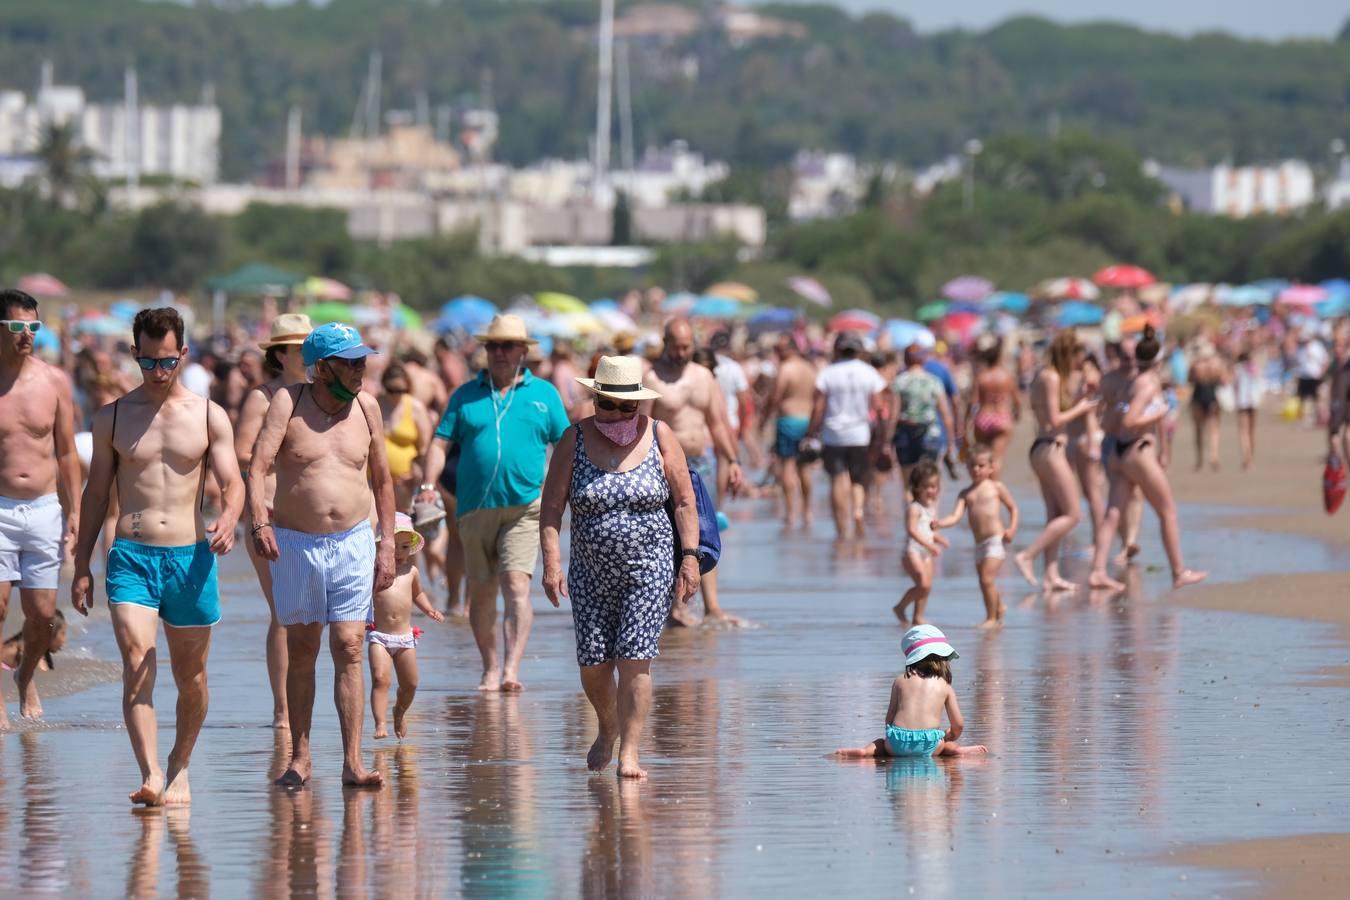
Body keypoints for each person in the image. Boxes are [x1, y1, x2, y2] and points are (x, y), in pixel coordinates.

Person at [71, 307, 245, 806]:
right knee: (136, 660)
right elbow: (96, 494)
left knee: (191, 678)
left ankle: (180, 763)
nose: (158, 372)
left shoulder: (210, 415)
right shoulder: (114, 417)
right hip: (131, 556)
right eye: (148, 362)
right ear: (134, 355)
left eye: (167, 362)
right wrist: (83, 564)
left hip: (190, 559)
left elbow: (233, 483)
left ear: (183, 354)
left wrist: (231, 517)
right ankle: (150, 774)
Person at [248, 322, 397, 788]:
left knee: (350, 644)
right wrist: (258, 521)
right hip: (297, 541)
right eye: (351, 362)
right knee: (304, 647)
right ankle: (300, 756)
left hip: (353, 538)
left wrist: (387, 542)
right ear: (323, 367)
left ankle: (353, 761)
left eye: (362, 360)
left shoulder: (367, 407)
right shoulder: (287, 403)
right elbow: (256, 468)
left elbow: (383, 480)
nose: (361, 370)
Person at [539, 356, 702, 779]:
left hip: (650, 568)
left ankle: (630, 752)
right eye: (609, 405)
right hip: (590, 574)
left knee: (635, 657)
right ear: (595, 399)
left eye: (628, 407)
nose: (618, 414)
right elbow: (552, 509)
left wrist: (689, 559)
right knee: (593, 665)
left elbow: (685, 502)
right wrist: (551, 564)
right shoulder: (573, 440)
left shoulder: (660, 435)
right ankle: (607, 725)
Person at [417, 314, 569, 691]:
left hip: (525, 506)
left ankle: (511, 670)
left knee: (516, 586)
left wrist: (569, 491)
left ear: (523, 351)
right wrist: (427, 483)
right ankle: (489, 666)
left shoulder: (544, 395)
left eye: (506, 346)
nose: (498, 353)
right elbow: (440, 443)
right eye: (492, 346)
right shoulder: (465, 395)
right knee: (481, 591)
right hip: (473, 508)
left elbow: (566, 446)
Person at [0, 288, 81, 726]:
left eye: (34, 326)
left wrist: (76, 511)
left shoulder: (54, 381)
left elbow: (67, 452)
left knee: (43, 615)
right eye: (17, 326)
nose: (27, 334)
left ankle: (25, 677)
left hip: (45, 508)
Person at [234, 313, 312, 729]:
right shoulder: (262, 398)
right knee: (284, 612)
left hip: (311, 517)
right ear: (280, 355)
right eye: (299, 347)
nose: (307, 353)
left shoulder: (320, 394)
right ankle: (282, 708)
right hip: (271, 516)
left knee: (307, 614)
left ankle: (301, 701)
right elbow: (243, 452)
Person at [1086, 326, 1208, 592]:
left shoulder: (1130, 382)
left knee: (1113, 514)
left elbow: (1113, 418)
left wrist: (1162, 444)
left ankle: (1097, 571)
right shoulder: (1148, 383)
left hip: (1119, 452)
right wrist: (1159, 413)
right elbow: (1129, 421)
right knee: (1168, 512)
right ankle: (1179, 572)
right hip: (1137, 451)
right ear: (1159, 360)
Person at [642, 319, 743, 624]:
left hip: (702, 464)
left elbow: (716, 423)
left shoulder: (703, 377)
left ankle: (712, 606)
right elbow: (644, 427)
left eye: (687, 346)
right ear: (665, 342)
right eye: (676, 346)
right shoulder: (653, 378)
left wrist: (734, 460)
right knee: (673, 536)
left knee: (706, 535)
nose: (682, 352)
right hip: (668, 465)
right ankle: (676, 607)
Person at [1013, 330, 1097, 592]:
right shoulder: (1049, 376)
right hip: (1050, 448)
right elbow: (1054, 420)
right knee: (1073, 515)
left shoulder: (1048, 375)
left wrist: (1079, 398)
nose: (1079, 363)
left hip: (1045, 448)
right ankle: (1028, 555)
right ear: (1067, 352)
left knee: (1055, 516)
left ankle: (1051, 575)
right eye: (1077, 356)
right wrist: (1082, 409)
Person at [834, 625, 988, 759]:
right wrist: (951, 736)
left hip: (897, 744)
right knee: (946, 746)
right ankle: (958, 751)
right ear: (943, 658)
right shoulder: (945, 686)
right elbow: (958, 725)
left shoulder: (900, 681)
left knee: (880, 744)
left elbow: (889, 718)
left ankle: (864, 752)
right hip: (929, 744)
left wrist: (895, 740)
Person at [368, 513, 444, 740]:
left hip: (404, 637)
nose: (399, 553)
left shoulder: (411, 572)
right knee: (380, 679)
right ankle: (380, 723)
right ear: (381, 544)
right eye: (393, 547)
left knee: (410, 684)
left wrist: (429, 609)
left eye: (404, 547)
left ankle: (399, 712)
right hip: (379, 636)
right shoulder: (373, 570)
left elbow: (417, 593)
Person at [809, 332, 887, 539]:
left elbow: (818, 408)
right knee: (858, 478)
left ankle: (841, 527)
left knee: (837, 478)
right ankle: (858, 511)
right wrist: (882, 436)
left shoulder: (828, 373)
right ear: (859, 350)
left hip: (833, 433)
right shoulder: (869, 372)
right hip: (860, 434)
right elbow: (879, 408)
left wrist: (811, 433)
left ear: (838, 349)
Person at [934, 446, 1019, 629]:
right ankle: (999, 607)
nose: (976, 470)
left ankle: (991, 619)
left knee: (987, 579)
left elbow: (1013, 508)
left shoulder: (996, 487)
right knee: (984, 582)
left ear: (991, 468)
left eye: (981, 466)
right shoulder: (966, 493)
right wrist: (940, 523)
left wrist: (1011, 529)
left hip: (996, 540)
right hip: (979, 544)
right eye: (972, 466)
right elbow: (955, 516)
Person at [762, 335, 817, 527]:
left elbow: (776, 396)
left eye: (780, 349)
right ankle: (808, 510)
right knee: (805, 468)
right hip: (807, 420)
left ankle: (791, 512)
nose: (777, 353)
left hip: (788, 421)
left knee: (787, 465)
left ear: (791, 349)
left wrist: (765, 417)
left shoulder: (785, 369)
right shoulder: (810, 368)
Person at [887, 344, 955, 491]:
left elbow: (893, 415)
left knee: (908, 483)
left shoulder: (899, 381)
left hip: (905, 433)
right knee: (931, 481)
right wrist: (951, 442)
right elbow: (946, 415)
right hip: (930, 433)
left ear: (905, 359)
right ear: (923, 359)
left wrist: (887, 442)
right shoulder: (934, 381)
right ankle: (931, 512)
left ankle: (910, 510)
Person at [894, 461, 947, 626]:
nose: (931, 491)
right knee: (922, 584)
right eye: (927, 487)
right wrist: (930, 545)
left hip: (926, 553)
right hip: (913, 552)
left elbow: (928, 530)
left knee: (927, 586)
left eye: (934, 486)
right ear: (917, 488)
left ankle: (918, 616)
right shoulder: (914, 508)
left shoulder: (930, 507)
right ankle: (900, 607)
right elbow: (912, 530)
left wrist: (938, 538)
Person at [378, 363, 434, 511]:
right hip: (375, 480)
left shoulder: (415, 408)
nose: (396, 394)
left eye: (401, 390)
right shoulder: (375, 403)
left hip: (404, 483)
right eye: (392, 390)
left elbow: (425, 449)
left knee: (403, 525)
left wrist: (415, 476)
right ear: (384, 386)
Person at [966, 334, 1019, 478]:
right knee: (996, 459)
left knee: (982, 457)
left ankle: (983, 487)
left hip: (983, 418)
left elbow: (973, 402)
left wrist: (967, 420)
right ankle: (994, 489)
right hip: (1002, 418)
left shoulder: (981, 377)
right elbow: (1017, 402)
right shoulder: (1007, 376)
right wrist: (1016, 416)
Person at [1188, 340, 1227, 472]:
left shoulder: (1196, 365)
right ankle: (1214, 456)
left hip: (1198, 395)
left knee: (1199, 430)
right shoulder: (1216, 365)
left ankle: (1200, 459)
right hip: (1211, 395)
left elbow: (1190, 380)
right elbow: (1223, 381)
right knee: (1214, 429)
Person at [1, 605, 66, 673]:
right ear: (49, 634)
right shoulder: (34, 658)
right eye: (63, 633)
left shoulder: (19, 644)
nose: (64, 639)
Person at [1234, 349, 1263, 470]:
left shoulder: (1238, 369)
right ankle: (1251, 458)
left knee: (1243, 432)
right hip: (1254, 401)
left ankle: (1247, 458)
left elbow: (1234, 385)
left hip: (1242, 401)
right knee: (1252, 431)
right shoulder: (1255, 368)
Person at [1295, 328, 1329, 425]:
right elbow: (1298, 362)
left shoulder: (1317, 347)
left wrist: (1321, 373)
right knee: (1302, 398)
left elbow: (1325, 361)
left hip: (1315, 377)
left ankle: (1317, 418)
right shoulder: (1300, 348)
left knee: (1316, 398)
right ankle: (1303, 418)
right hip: (1303, 376)